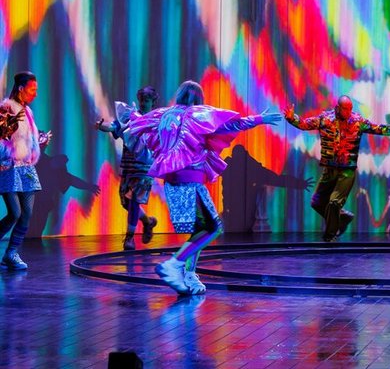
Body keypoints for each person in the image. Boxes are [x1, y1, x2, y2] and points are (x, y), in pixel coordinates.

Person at [125, 80, 282, 295]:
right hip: (189, 179)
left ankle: (189, 273)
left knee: (201, 229)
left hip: (174, 180)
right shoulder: (198, 115)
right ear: (199, 99)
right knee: (212, 228)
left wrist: (131, 114)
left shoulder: (163, 115)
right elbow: (230, 125)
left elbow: (138, 121)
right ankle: (174, 264)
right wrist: (259, 119)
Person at [285, 95, 390, 241]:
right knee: (317, 203)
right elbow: (305, 124)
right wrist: (292, 118)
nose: (348, 112)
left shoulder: (357, 121)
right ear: (338, 108)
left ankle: (330, 236)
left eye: (350, 109)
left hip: (347, 171)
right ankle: (343, 218)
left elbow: (378, 129)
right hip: (330, 169)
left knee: (334, 202)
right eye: (345, 109)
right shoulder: (325, 119)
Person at [95, 86, 159, 250]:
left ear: (153, 102)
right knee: (126, 202)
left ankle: (129, 238)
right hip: (128, 166)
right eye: (141, 100)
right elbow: (114, 126)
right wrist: (102, 127)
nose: (143, 103)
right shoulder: (131, 117)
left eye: (146, 100)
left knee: (134, 200)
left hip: (144, 168)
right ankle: (147, 222)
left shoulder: (156, 120)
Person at [0, 72, 52, 270]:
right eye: (32, 89)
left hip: (27, 167)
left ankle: (11, 253)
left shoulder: (27, 111)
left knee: (26, 214)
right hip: (10, 166)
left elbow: (26, 140)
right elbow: (3, 138)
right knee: (14, 213)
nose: (35, 94)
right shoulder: (7, 108)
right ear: (21, 88)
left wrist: (39, 142)